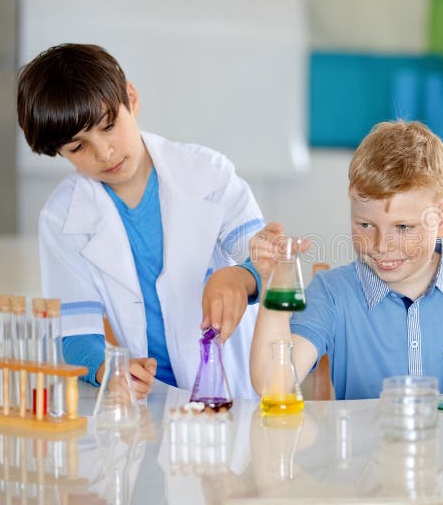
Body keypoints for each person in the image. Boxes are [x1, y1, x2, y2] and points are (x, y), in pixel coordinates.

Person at [17, 44, 264, 398]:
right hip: (152, 400)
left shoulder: (208, 175)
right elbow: (76, 334)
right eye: (77, 148)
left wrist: (240, 277)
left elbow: (266, 264)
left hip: (232, 390)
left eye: (108, 126)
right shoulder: (62, 218)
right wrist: (109, 369)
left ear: (130, 99)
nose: (104, 152)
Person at [243, 120, 443, 400]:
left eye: (403, 227)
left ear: (442, 218)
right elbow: (273, 385)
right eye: (365, 225)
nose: (381, 246)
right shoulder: (332, 293)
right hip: (364, 458)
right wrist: (274, 284)